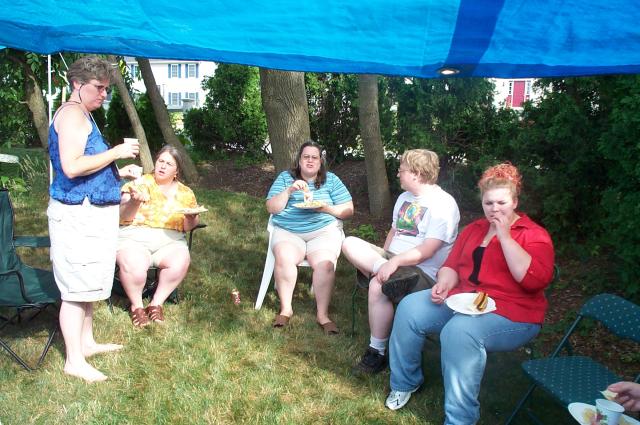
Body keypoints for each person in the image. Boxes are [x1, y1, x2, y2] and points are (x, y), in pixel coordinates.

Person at [385, 163, 555, 423]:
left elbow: (533, 281)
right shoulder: (474, 229)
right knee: (410, 307)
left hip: (513, 312)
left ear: (515, 202)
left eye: (501, 202)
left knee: (459, 332)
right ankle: (405, 382)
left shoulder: (534, 235)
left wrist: (505, 237)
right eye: (489, 203)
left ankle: (460, 419)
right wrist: (444, 283)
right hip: (464, 299)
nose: (494, 209)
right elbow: (451, 265)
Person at [46, 56, 141, 382]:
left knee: (87, 285)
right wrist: (116, 153)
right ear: (77, 84)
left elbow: (88, 162)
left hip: (89, 213)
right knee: (75, 289)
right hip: (76, 215)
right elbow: (72, 166)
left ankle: (86, 344)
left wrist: (117, 173)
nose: (104, 94)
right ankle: (73, 360)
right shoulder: (72, 115)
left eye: (106, 89)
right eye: (99, 88)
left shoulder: (84, 114)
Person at [342, 149, 459, 374]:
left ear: (417, 174)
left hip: (420, 273)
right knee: (348, 242)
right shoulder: (404, 198)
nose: (398, 174)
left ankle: (377, 353)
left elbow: (427, 250)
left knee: (377, 286)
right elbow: (393, 232)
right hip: (393, 263)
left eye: (401, 170)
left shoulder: (444, 204)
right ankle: (383, 272)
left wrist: (394, 263)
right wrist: (383, 260)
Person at [266, 141, 354, 334]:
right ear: (299, 160)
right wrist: (289, 191)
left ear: (320, 161)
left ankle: (322, 315)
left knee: (325, 264)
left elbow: (348, 210)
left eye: (315, 157)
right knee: (284, 256)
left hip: (323, 232)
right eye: (306, 157)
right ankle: (286, 309)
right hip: (289, 230)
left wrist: (326, 208)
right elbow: (271, 207)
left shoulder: (331, 180)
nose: (310, 161)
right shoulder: (285, 178)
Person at [117, 145, 200, 327]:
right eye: (160, 161)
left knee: (180, 260)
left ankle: (156, 303)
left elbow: (188, 227)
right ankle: (137, 306)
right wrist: (134, 202)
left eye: (169, 164)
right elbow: (122, 215)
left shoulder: (186, 193)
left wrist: (191, 218)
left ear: (177, 171)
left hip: (171, 241)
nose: (162, 166)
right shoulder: (139, 183)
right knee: (135, 265)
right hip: (135, 237)